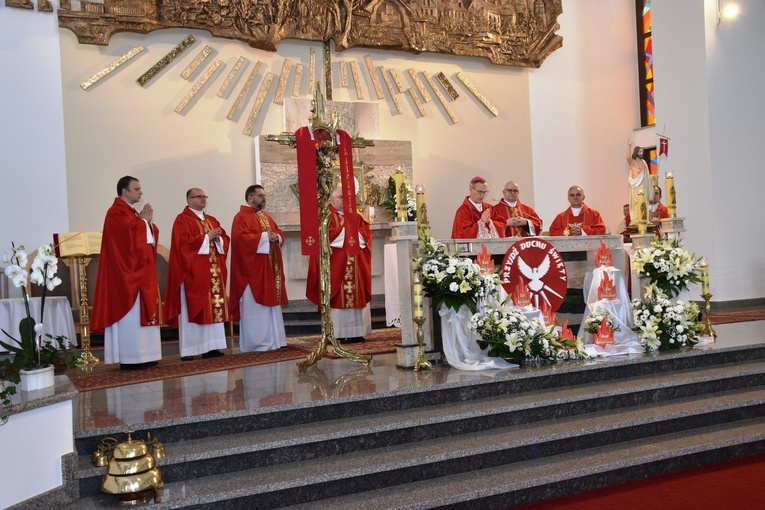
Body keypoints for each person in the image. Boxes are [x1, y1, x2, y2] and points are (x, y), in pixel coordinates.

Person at [91, 176, 162, 370]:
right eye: (137, 189)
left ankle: (147, 354)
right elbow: (127, 240)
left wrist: (145, 224)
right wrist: (144, 223)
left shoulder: (131, 213)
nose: (141, 192)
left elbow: (142, 235)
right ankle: (132, 357)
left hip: (142, 273)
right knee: (131, 316)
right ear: (125, 191)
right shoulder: (116, 212)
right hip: (126, 275)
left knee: (142, 312)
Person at [165, 188, 229, 361]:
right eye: (198, 196)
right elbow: (182, 245)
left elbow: (225, 239)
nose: (202, 199)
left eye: (204, 196)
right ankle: (190, 349)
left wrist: (219, 239)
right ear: (189, 200)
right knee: (193, 309)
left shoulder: (212, 219)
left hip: (213, 273)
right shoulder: (182, 220)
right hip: (194, 274)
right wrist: (206, 237)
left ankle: (213, 347)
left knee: (213, 308)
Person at [306, 187, 373, 343]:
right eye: (342, 197)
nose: (346, 201)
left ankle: (357, 331)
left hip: (355, 264)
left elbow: (366, 234)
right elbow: (324, 236)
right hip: (336, 264)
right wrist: (348, 232)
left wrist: (353, 233)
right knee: (337, 295)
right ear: (332, 200)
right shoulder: (326, 217)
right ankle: (336, 333)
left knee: (356, 293)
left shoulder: (356, 216)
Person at [229, 185, 288, 352]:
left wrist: (276, 236)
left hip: (269, 270)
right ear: (250, 198)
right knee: (256, 307)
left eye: (264, 195)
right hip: (252, 272)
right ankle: (258, 343)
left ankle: (275, 340)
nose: (264, 198)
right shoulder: (241, 217)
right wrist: (264, 237)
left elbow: (278, 233)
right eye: (261, 195)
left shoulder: (266, 217)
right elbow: (240, 240)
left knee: (271, 306)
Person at [626, 140, 654, 227]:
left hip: (643, 187)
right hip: (635, 187)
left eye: (642, 152)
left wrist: (652, 177)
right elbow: (627, 157)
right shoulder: (632, 162)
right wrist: (629, 147)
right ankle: (635, 220)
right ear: (636, 152)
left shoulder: (644, 163)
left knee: (643, 203)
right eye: (640, 151)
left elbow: (646, 176)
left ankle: (644, 218)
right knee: (635, 204)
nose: (642, 153)